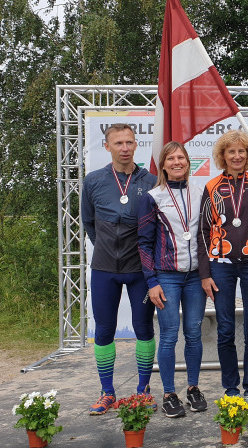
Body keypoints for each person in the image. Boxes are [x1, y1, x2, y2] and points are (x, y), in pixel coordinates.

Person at [198, 130, 248, 417]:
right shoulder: (211, 186)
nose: (237, 156)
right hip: (221, 265)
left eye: (242, 151)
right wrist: (205, 273)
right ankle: (231, 392)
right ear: (223, 155)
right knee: (226, 330)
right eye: (231, 151)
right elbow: (204, 232)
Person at [81, 123, 157, 415]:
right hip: (104, 269)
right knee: (104, 330)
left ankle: (143, 390)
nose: (124, 148)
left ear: (136, 145)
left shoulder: (150, 180)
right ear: (107, 146)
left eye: (129, 142)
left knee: (143, 328)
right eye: (118, 143)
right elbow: (89, 222)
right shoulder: (94, 181)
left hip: (139, 269)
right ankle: (107, 393)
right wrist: (104, 247)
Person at [137, 141, 207, 418]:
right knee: (168, 336)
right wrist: (151, 282)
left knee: (194, 333)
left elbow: (206, 237)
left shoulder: (201, 193)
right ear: (163, 165)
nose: (177, 162)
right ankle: (168, 393)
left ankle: (193, 388)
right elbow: (143, 244)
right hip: (166, 276)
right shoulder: (153, 197)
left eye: (182, 158)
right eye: (171, 158)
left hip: (195, 278)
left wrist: (206, 274)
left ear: (188, 162)